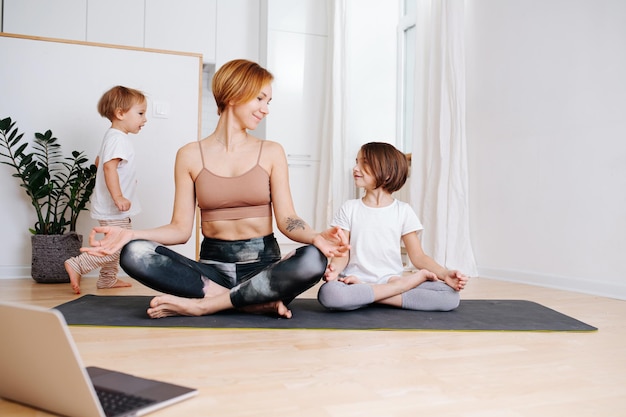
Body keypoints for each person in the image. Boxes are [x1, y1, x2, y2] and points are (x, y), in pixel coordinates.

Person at [80, 59, 349, 319]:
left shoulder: (271, 152)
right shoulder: (189, 155)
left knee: (313, 258)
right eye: (260, 99)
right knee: (134, 253)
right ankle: (249, 301)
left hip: (265, 270)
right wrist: (129, 235)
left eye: (268, 102)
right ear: (233, 95)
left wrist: (315, 236)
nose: (266, 109)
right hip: (211, 273)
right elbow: (180, 230)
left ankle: (205, 306)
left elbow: (287, 220)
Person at [317, 142, 468, 312]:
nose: (355, 168)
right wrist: (335, 270)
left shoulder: (403, 211)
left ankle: (375, 294)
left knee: (449, 296)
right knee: (329, 293)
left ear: (387, 173)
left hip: (388, 280)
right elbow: (342, 253)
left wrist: (445, 274)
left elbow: (418, 256)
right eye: (356, 161)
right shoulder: (349, 208)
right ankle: (397, 290)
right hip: (354, 282)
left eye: (364, 163)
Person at [65, 86, 147, 294]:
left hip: (114, 207)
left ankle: (107, 279)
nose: (144, 119)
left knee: (116, 242)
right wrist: (118, 195)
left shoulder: (113, 136)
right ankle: (78, 265)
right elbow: (108, 166)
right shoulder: (118, 138)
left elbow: (98, 162)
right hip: (113, 207)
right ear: (120, 113)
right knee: (117, 245)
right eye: (140, 113)